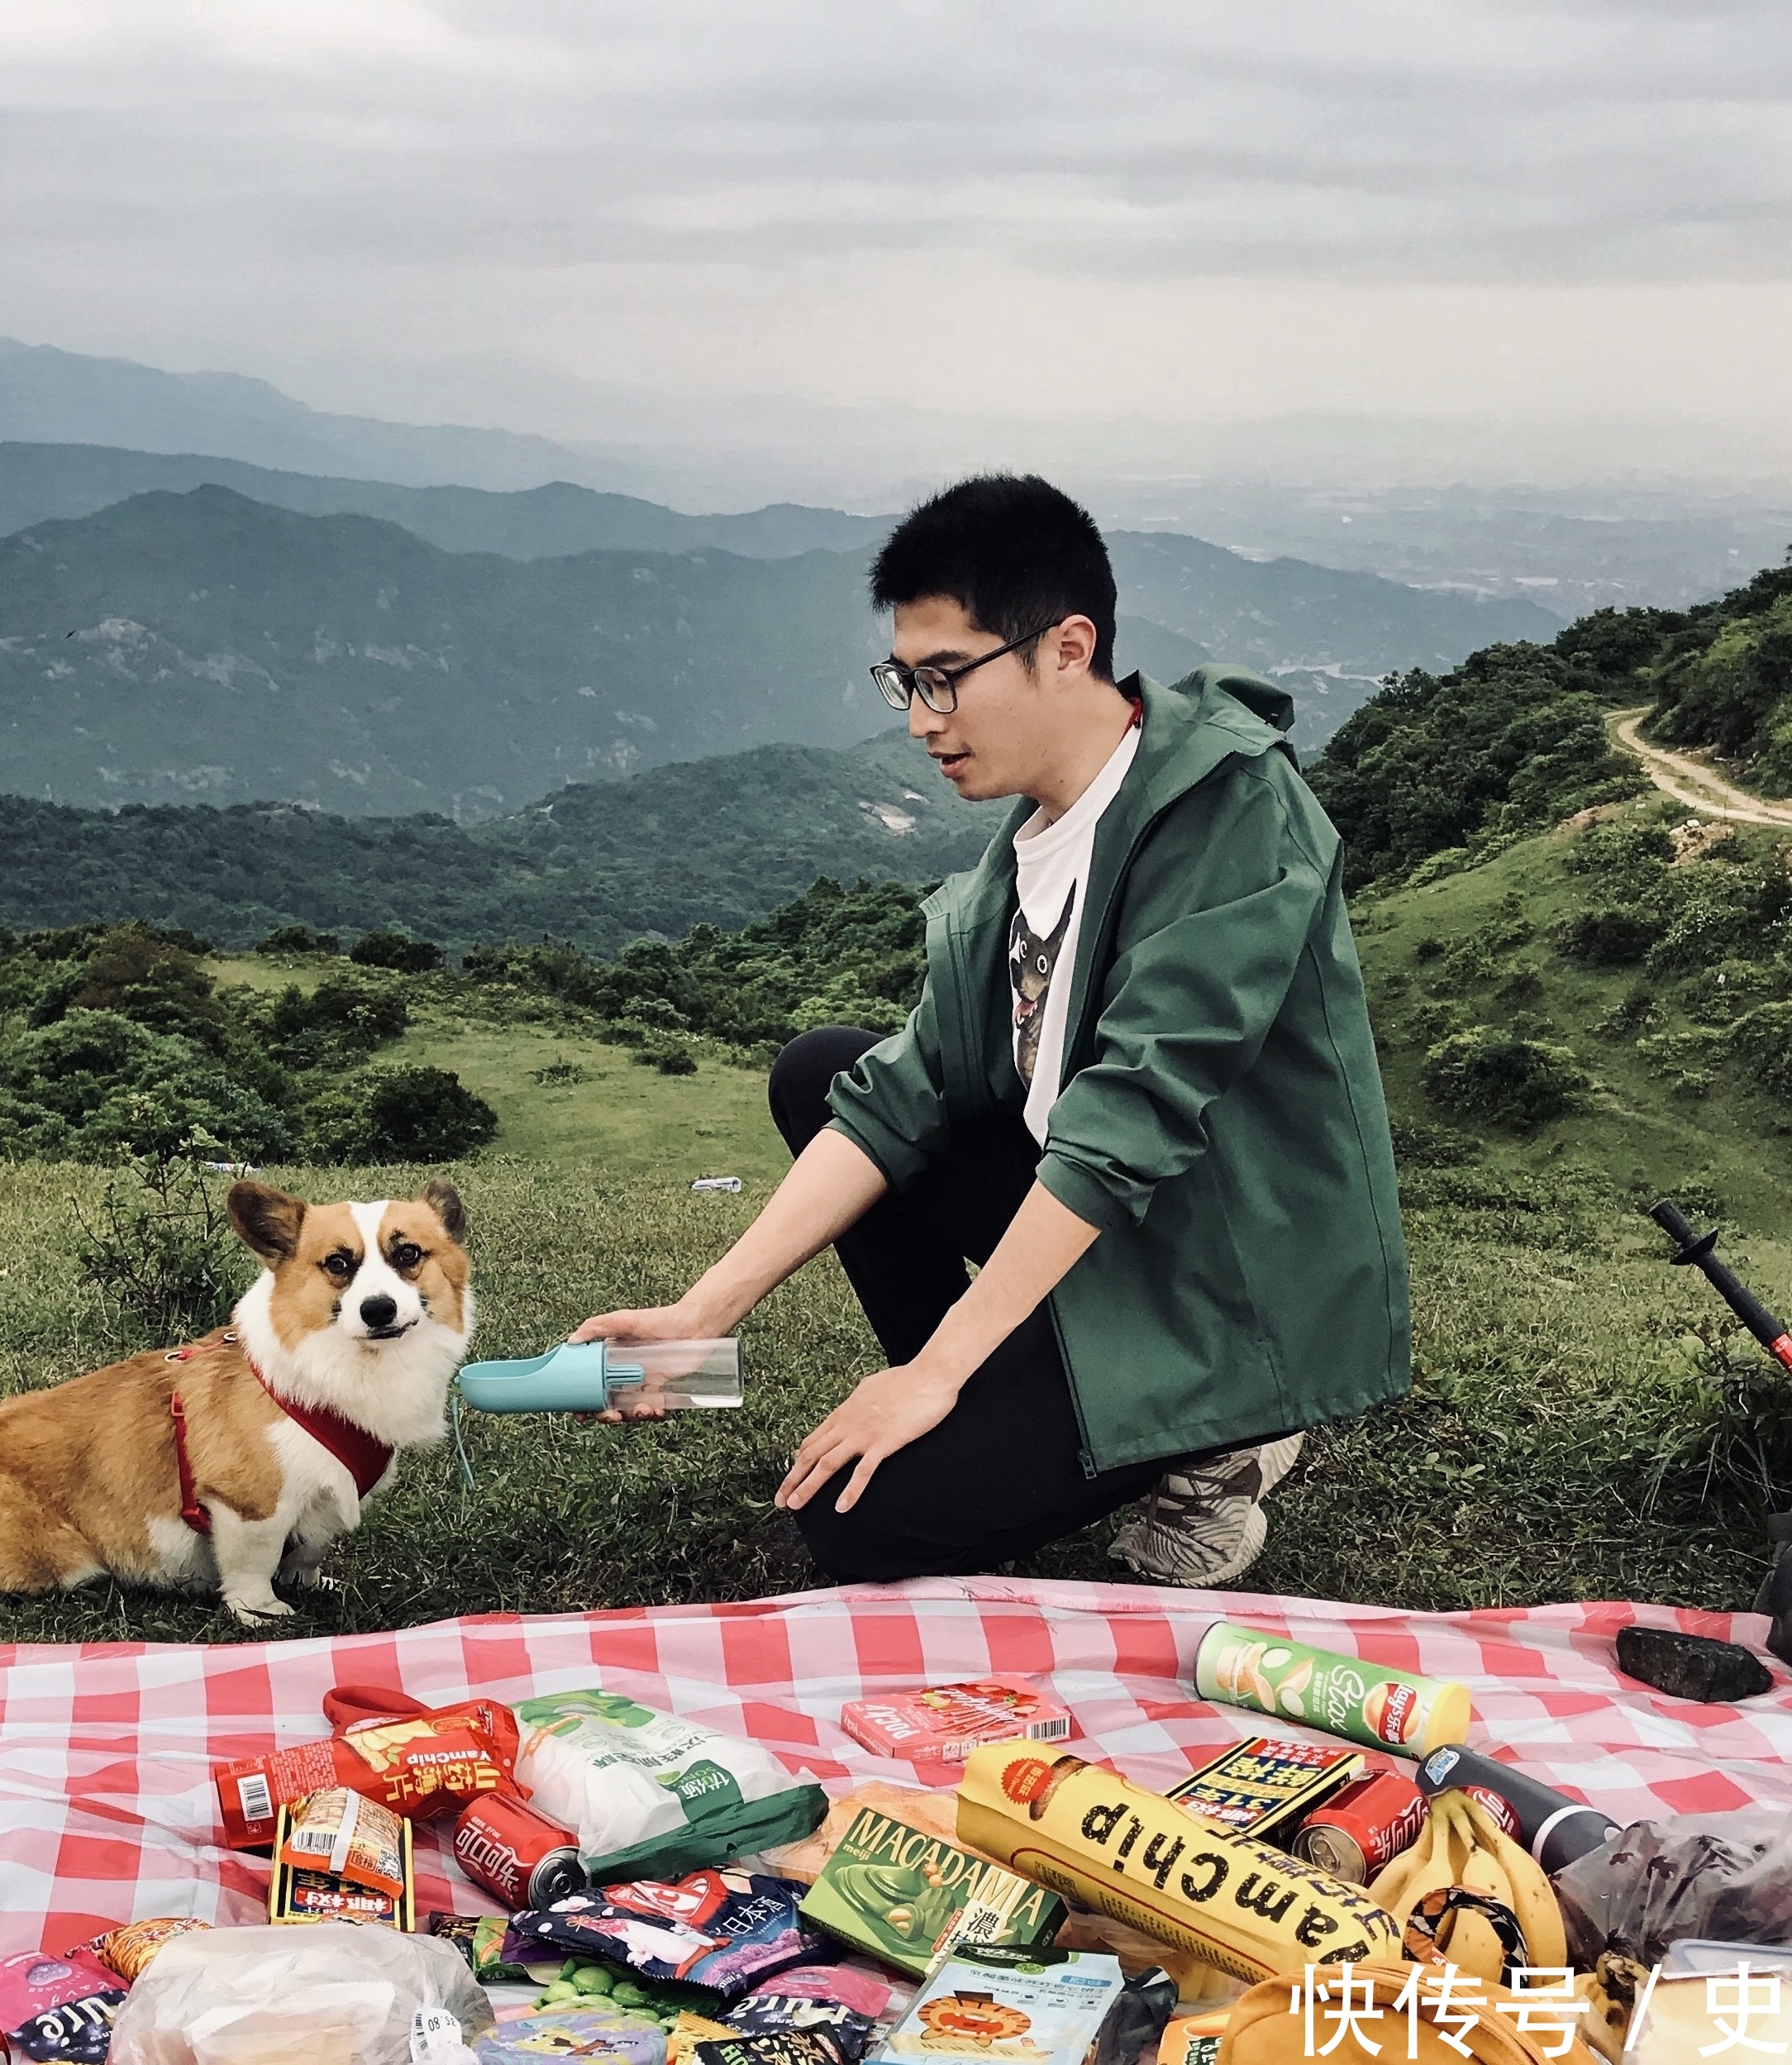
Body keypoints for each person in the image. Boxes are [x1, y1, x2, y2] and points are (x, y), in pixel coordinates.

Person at [575, 474, 1408, 1586]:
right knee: (824, 1071)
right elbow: (902, 1091)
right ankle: (977, 1390)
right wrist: (698, 1314)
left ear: (1068, 647)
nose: (920, 718)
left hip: (1211, 1282)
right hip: (1105, 1231)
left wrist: (938, 1370)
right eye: (903, 681)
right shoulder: (1033, 839)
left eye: (944, 678)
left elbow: (1129, 1121)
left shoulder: (1232, 812)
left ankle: (1218, 1440)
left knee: (860, 1528)